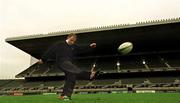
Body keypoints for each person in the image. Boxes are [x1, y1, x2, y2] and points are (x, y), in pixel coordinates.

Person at [38, 33, 98, 100]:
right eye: (71, 40)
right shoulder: (59, 44)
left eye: (73, 41)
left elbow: (81, 48)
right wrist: (43, 59)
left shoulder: (73, 46)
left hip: (69, 63)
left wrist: (90, 46)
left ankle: (65, 95)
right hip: (61, 62)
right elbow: (50, 51)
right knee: (72, 67)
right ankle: (89, 75)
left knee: (72, 77)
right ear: (68, 37)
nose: (72, 42)